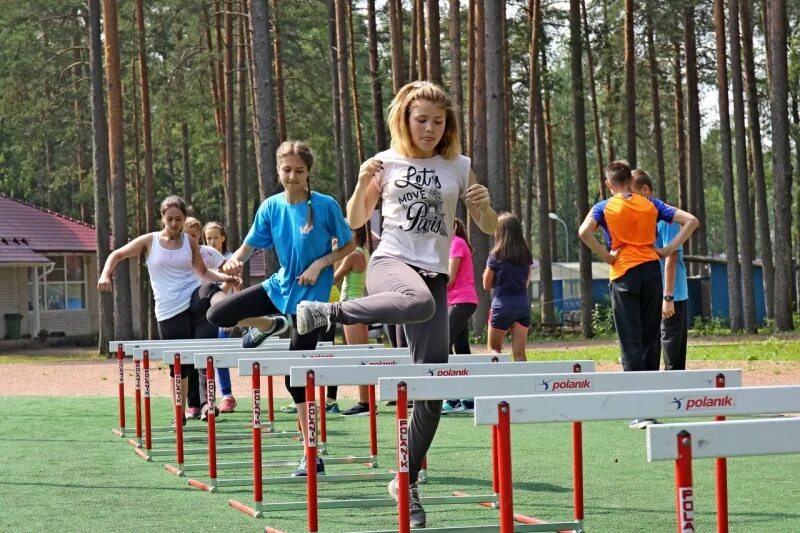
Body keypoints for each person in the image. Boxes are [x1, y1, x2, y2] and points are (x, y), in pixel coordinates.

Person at [293, 80, 498, 528]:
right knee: (418, 300)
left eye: (438, 122)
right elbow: (354, 220)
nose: (429, 128)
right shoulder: (385, 163)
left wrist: (483, 207)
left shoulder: (460, 166)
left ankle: (405, 481)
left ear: (448, 126)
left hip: (434, 276)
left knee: (433, 389)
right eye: (421, 120)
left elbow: (486, 225)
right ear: (404, 119)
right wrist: (364, 182)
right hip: (390, 264)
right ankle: (330, 312)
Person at [206, 140, 355, 477]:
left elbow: (350, 244)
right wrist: (233, 262)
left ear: (308, 173)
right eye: (286, 170)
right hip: (279, 288)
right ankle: (272, 324)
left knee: (295, 380)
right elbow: (247, 246)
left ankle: (312, 454)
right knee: (219, 314)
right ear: (278, 170)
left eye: (299, 171)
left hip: (313, 302)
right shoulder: (271, 206)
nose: (292, 176)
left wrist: (321, 263)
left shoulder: (325, 205)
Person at [97, 196, 240, 426]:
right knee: (179, 366)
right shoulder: (149, 241)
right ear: (162, 218)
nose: (174, 224)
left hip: (191, 296)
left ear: (184, 219)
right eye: (170, 219)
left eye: (179, 219)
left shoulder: (189, 242)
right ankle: (179, 413)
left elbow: (203, 272)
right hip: (168, 309)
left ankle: (233, 310)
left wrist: (227, 278)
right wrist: (105, 274)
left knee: (209, 291)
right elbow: (117, 254)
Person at [578, 160, 698, 429]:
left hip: (623, 276)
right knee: (650, 338)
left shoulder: (604, 207)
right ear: (629, 182)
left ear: (609, 184)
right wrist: (667, 250)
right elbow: (691, 221)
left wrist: (607, 256)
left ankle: (639, 410)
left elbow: (584, 231)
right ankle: (651, 408)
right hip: (651, 274)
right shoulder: (651, 204)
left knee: (629, 340)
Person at [631, 170, 689, 371]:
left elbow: (671, 257)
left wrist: (668, 297)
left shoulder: (666, 217)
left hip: (673, 295)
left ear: (645, 190)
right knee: (650, 346)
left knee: (672, 351)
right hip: (651, 292)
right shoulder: (641, 218)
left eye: (633, 194)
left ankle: (675, 396)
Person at [183, 217, 226, 421]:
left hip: (206, 310)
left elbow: (227, 268)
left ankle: (208, 402)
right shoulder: (176, 254)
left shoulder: (209, 253)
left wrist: (225, 287)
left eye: (194, 235)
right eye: (186, 235)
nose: (190, 238)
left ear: (199, 235)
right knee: (188, 360)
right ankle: (192, 405)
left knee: (205, 358)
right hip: (183, 310)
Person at [483, 213, 533, 363]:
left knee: (494, 349)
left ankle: (498, 383)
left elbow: (486, 285)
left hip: (501, 306)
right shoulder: (526, 255)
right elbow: (526, 282)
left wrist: (487, 276)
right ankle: (523, 384)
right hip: (522, 306)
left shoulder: (495, 255)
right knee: (519, 354)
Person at [334, 226, 372, 417]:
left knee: (358, 358)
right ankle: (367, 401)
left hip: (350, 306)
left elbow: (333, 280)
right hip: (361, 304)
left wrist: (333, 254)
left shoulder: (352, 256)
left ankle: (364, 403)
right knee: (362, 356)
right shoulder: (364, 252)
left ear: (355, 233)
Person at [442, 217, 478, 414]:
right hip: (459, 301)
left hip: (461, 301)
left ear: (454, 226)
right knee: (462, 347)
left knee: (443, 343)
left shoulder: (456, 243)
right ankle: (469, 397)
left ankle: (453, 397)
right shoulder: (450, 245)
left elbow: (450, 278)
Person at [202, 221, 238, 413]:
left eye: (216, 237)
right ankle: (206, 399)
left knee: (220, 353)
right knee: (208, 354)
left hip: (225, 314)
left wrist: (229, 318)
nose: (213, 241)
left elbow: (232, 286)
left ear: (223, 237)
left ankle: (227, 395)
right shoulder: (202, 260)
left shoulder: (229, 259)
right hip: (205, 315)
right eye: (209, 238)